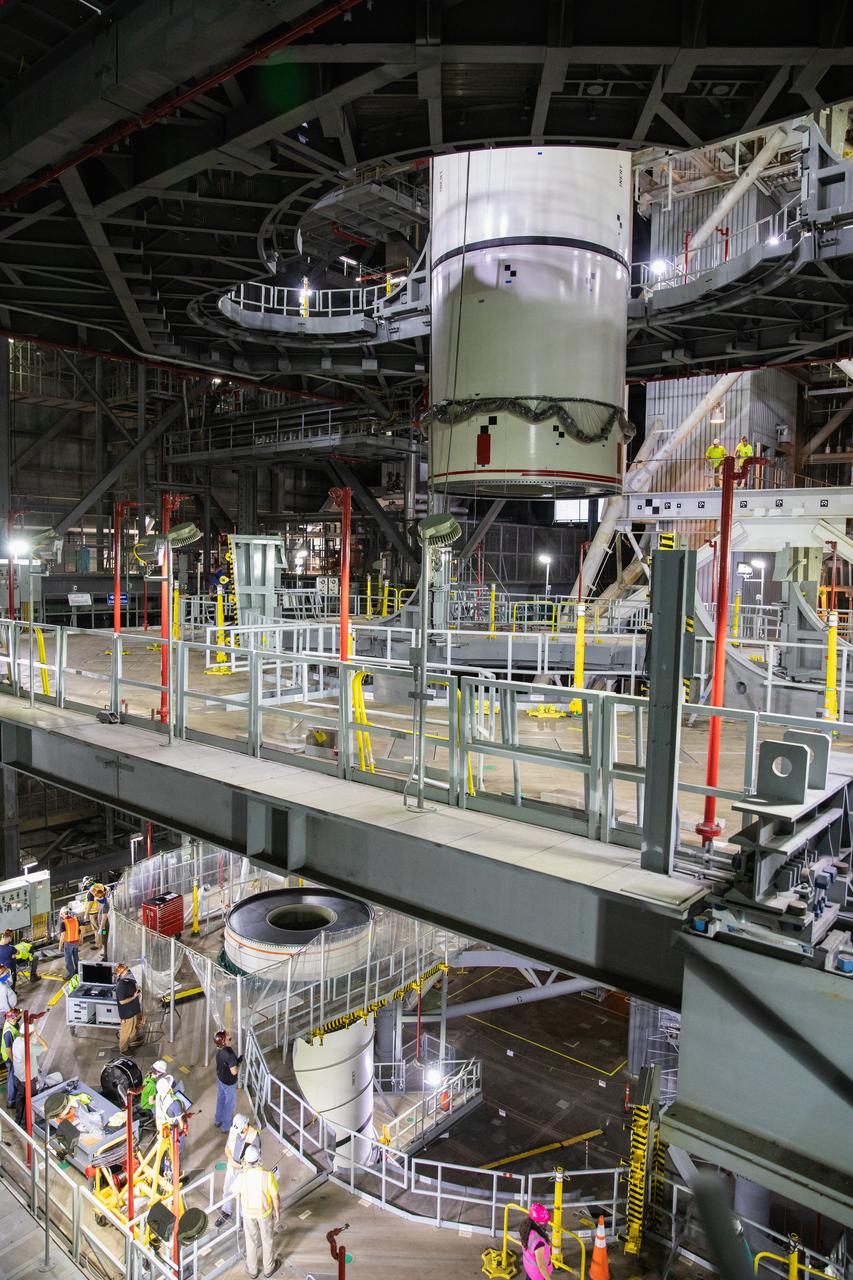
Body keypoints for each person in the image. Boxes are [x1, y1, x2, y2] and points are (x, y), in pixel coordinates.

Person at [234, 1145, 280, 1279]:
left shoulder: (242, 1176)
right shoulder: (268, 1175)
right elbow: (275, 1196)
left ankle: (253, 1270)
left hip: (248, 1214)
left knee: (251, 1241)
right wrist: (277, 1212)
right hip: (264, 1214)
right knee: (267, 1240)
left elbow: (234, 1191)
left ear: (246, 1161)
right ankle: (269, 1268)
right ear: (259, 1158)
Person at [215, 1111, 261, 1228]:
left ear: (246, 1125)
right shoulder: (235, 1130)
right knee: (227, 1189)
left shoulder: (254, 1137)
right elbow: (227, 1148)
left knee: (242, 1195)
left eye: (241, 1131)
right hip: (232, 1166)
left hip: (244, 1170)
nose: (240, 1133)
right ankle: (226, 1211)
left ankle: (242, 1218)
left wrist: (240, 1166)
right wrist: (230, 1159)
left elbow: (254, 1158)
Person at [12, 1022, 47, 1128]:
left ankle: (18, 1120)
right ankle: (24, 1125)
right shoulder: (28, 1047)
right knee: (30, 1100)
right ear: (30, 1034)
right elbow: (45, 1047)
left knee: (20, 1098)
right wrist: (37, 1035)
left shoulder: (16, 1041)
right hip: (28, 1080)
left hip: (18, 1077)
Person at [214, 1028, 242, 1133]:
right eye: (227, 1035)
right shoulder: (229, 1054)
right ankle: (226, 1126)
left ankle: (218, 1120)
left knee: (220, 1099)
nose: (229, 1035)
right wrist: (238, 1063)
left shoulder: (219, 1049)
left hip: (220, 1078)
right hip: (229, 1082)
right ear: (224, 1041)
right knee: (229, 1104)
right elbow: (234, 1072)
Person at [154, 1073, 188, 1157]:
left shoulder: (158, 1096)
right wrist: (184, 1130)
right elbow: (182, 1122)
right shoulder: (174, 1103)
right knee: (177, 1151)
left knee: (165, 1149)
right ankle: (175, 1167)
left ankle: (163, 1166)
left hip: (162, 1127)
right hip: (173, 1129)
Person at [114, 962, 144, 1052]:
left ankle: (132, 1040)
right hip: (127, 1013)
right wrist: (134, 997)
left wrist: (137, 991)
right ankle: (123, 1049)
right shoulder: (121, 985)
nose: (129, 971)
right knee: (126, 1031)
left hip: (133, 1010)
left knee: (133, 1027)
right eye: (126, 970)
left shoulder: (128, 981)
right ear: (121, 973)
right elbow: (122, 1001)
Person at [520, 1203, 553, 1279]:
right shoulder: (538, 1242)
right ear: (536, 1222)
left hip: (530, 1270)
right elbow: (541, 1266)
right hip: (538, 1276)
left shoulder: (527, 1228)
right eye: (543, 1221)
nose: (546, 1223)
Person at [1, 1009, 21, 1110]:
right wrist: (15, 1062)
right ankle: (11, 1101)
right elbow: (8, 1050)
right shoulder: (8, 1032)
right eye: (17, 1016)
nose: (19, 1017)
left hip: (14, 1055)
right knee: (12, 1078)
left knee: (14, 1077)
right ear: (12, 1018)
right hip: (10, 1057)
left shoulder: (11, 1023)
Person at [58, 907, 80, 977]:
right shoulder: (75, 920)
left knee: (68, 960)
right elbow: (79, 931)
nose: (60, 916)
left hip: (68, 943)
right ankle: (79, 972)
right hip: (76, 942)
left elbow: (63, 936)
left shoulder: (64, 923)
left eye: (61, 914)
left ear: (64, 913)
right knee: (76, 958)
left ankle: (72, 975)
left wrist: (60, 946)